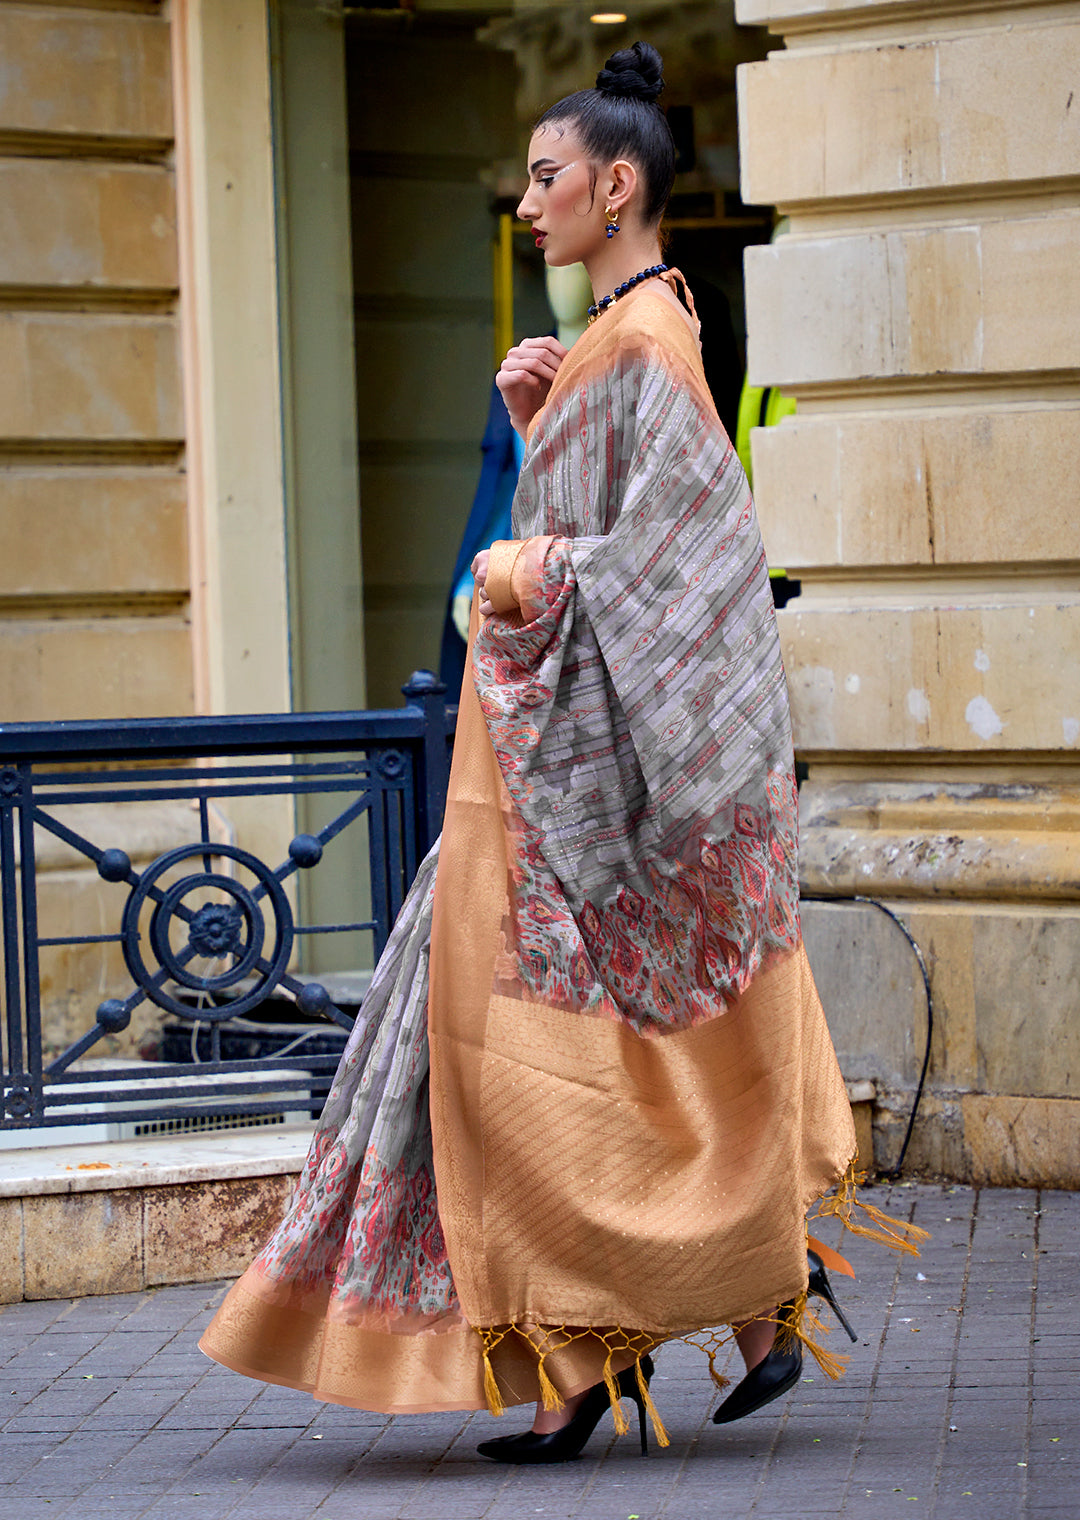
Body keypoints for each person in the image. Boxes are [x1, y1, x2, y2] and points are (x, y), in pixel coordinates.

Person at [199, 41, 920, 1466]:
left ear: (617, 183)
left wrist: (514, 573)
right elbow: (608, 532)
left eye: (545, 179)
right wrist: (537, 439)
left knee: (518, 1069)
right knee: (562, 1065)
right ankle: (724, 1308)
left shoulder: (649, 342)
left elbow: (684, 564)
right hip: (525, 774)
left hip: (548, 790)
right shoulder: (619, 336)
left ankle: (627, 1348)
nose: (526, 203)